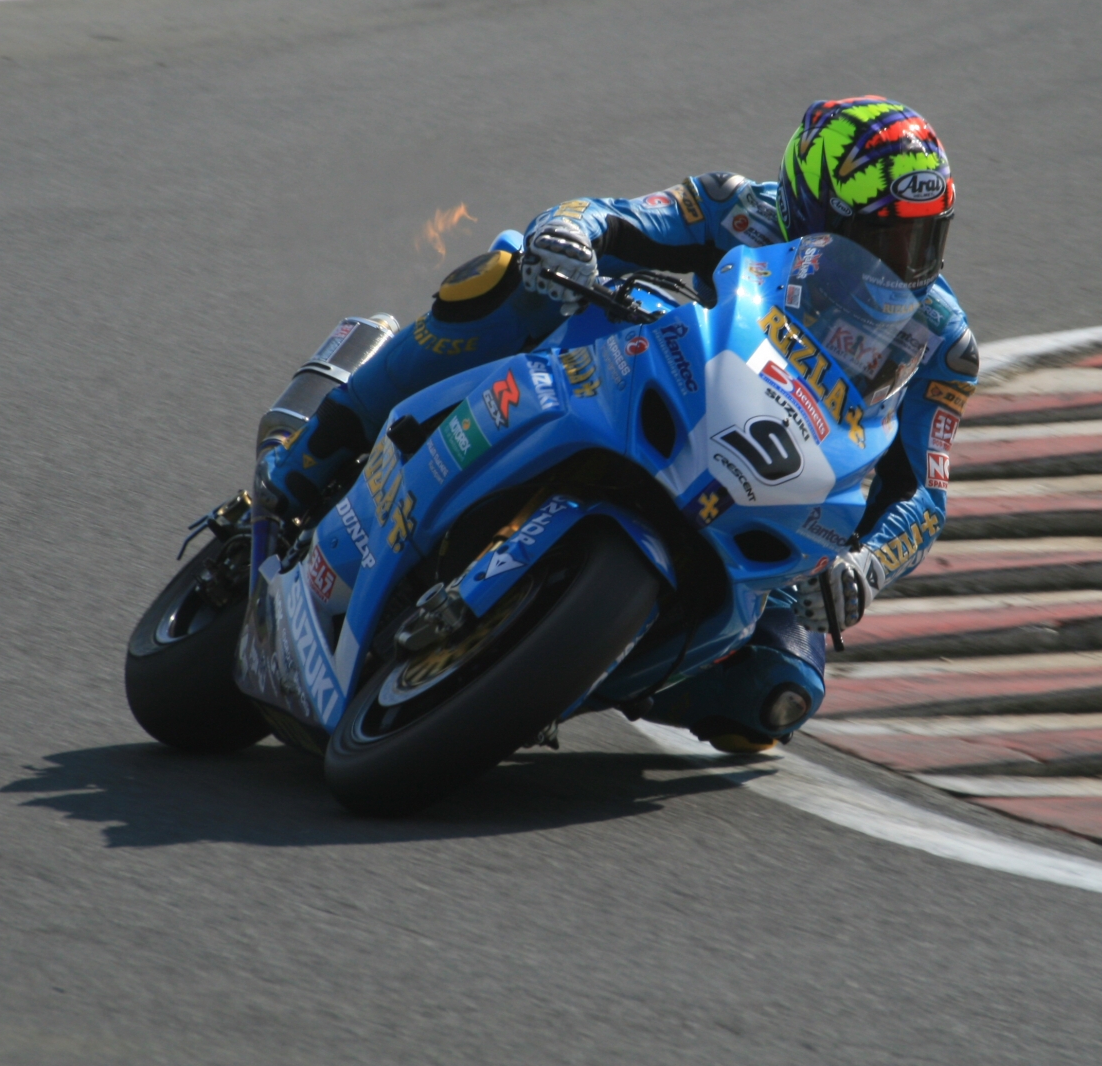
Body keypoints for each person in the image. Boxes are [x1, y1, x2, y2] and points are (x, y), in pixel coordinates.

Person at [258, 97, 979, 752]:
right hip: (658, 379)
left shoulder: (943, 342)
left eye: (924, 239)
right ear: (812, 208)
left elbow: (925, 492)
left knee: (778, 694)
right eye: (880, 238)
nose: (902, 265)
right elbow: (609, 215)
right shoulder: (739, 208)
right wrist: (566, 235)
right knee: (505, 276)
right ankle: (312, 455)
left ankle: (543, 672)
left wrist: (869, 565)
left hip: (776, 485)